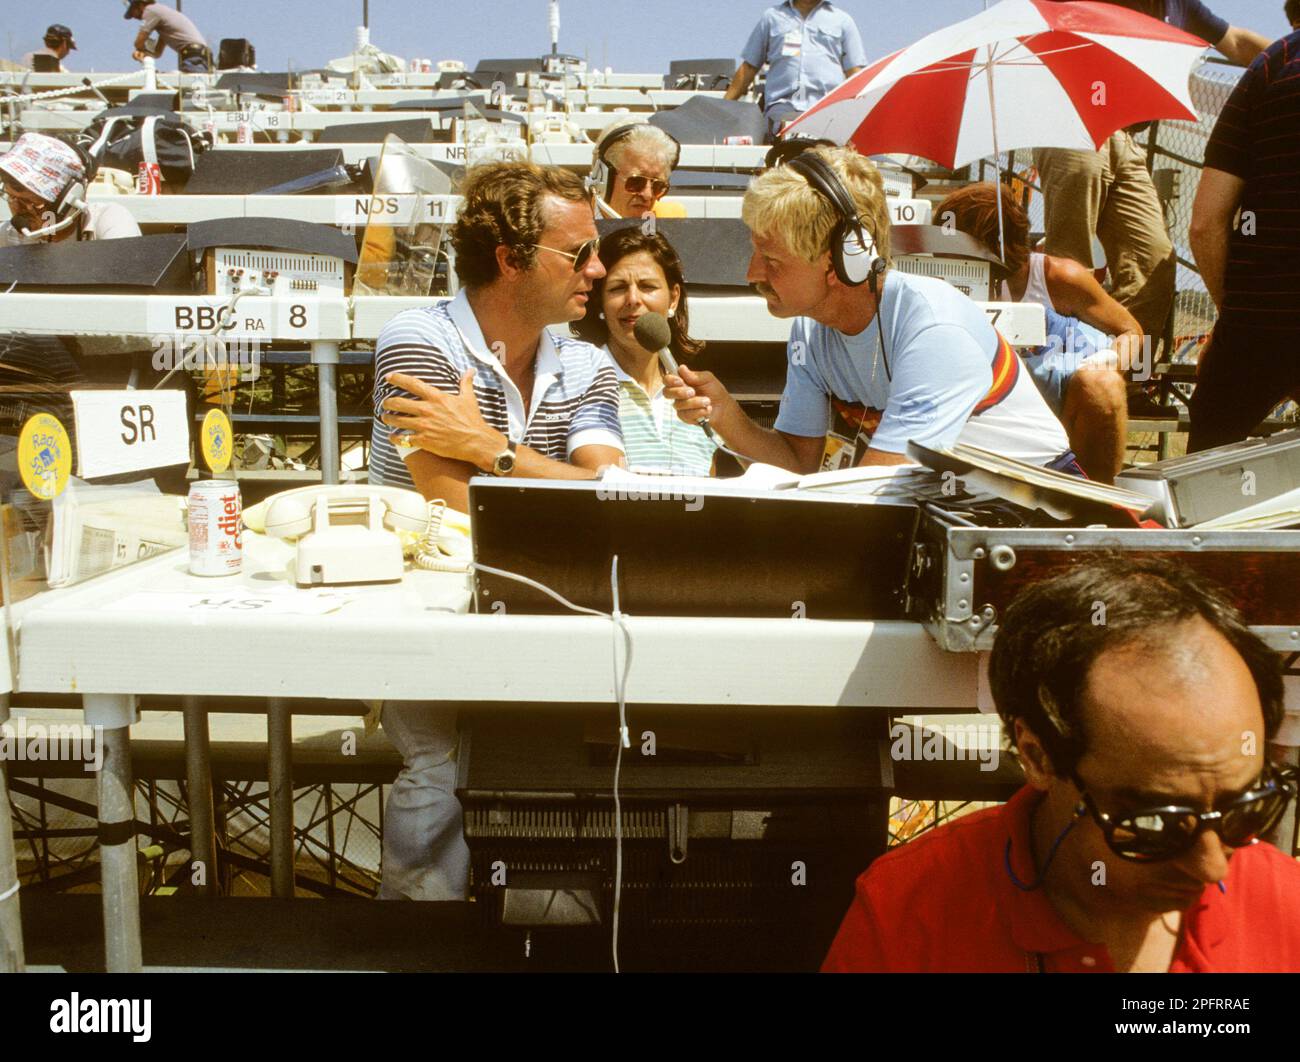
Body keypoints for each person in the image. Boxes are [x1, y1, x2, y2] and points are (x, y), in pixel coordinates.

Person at [824, 556, 1300, 972]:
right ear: (1037, 756)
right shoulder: (909, 915)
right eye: (1158, 823)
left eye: (1248, 808)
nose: (1213, 867)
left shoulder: (1286, 907)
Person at [370, 161, 624, 902]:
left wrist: (493, 451)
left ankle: (551, 937)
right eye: (579, 255)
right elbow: (451, 507)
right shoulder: (415, 340)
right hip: (431, 608)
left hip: (544, 599)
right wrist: (549, 483)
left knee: (558, 759)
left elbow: (613, 495)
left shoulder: (586, 360)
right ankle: (416, 946)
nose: (599, 270)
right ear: (513, 261)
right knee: (442, 764)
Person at [666, 146, 1075, 476]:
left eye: (772, 260)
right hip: (952, 511)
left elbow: (875, 492)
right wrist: (727, 417)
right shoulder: (809, 330)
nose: (752, 272)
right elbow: (798, 464)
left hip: (1036, 513)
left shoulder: (934, 329)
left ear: (846, 257)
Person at [1033, 1, 1273, 342]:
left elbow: (1235, 42)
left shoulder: (1179, 5)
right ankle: (1064, 374)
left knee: (1153, 261)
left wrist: (1288, 58)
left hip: (1127, 138)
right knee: (1072, 260)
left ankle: (1125, 378)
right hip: (1075, 121)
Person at [936, 182, 1142, 482]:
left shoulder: (1058, 277)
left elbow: (1132, 331)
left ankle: (1096, 501)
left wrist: (1103, 364)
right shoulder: (948, 282)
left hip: (1057, 397)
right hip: (989, 403)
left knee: (1101, 385)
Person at [1188, 29, 1300, 451]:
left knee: (1201, 481)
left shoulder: (1275, 61)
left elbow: (1205, 224)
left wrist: (1235, 318)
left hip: (1259, 319)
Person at [573, 227, 717, 475]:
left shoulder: (697, 397)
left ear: (673, 299)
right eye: (617, 288)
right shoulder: (580, 382)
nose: (633, 300)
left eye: (647, 286)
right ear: (600, 301)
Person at [723, 1, 867, 142]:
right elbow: (749, 67)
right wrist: (722, 109)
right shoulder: (771, 18)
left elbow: (855, 72)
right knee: (782, 159)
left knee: (826, 161)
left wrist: (860, 114)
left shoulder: (842, 20)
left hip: (827, 110)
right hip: (781, 110)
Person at [0, 133, 140, 246]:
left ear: (68, 200)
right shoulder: (8, 236)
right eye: (11, 197)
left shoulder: (111, 220)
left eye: (28, 202)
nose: (17, 209)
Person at [590, 120, 684, 220]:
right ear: (602, 179)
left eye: (658, 186)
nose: (648, 195)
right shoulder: (574, 222)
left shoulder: (670, 220)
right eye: (636, 182)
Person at [124, 0, 210, 73]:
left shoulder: (150, 10)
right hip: (199, 56)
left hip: (193, 57)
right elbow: (157, 53)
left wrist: (139, 50)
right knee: (191, 91)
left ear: (139, 4)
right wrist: (145, 53)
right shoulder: (163, 21)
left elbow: (139, 42)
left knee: (193, 90)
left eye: (132, 11)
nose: (134, 17)